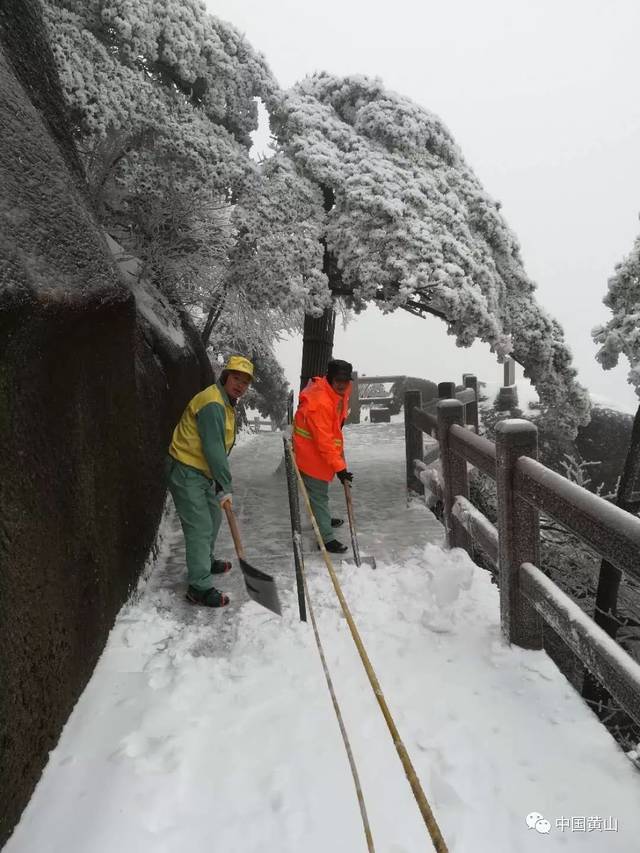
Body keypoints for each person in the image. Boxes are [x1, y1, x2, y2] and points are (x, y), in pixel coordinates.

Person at [166, 355, 254, 607]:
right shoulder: (214, 403)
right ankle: (199, 588)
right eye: (236, 378)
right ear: (226, 376)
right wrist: (225, 485)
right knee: (200, 527)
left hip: (202, 471)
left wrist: (217, 479)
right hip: (186, 469)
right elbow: (214, 449)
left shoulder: (226, 403)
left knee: (214, 518)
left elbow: (218, 450)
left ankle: (205, 559)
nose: (240, 385)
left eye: (245, 382)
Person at [293, 359, 354, 553]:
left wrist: (339, 461)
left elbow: (334, 428)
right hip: (310, 454)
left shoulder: (335, 392)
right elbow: (324, 440)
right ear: (329, 378)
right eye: (338, 380)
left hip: (318, 451)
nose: (343, 384)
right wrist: (340, 468)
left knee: (319, 494)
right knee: (318, 495)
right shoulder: (320, 402)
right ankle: (325, 539)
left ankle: (323, 519)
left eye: (346, 380)